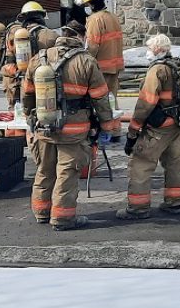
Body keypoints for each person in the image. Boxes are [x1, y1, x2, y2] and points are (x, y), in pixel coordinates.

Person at [21, 20, 114, 231]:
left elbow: (26, 93)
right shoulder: (86, 61)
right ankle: (62, 218)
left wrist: (30, 117)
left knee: (44, 170)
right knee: (66, 173)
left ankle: (41, 212)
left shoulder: (39, 58)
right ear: (80, 37)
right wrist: (107, 125)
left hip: (44, 126)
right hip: (74, 130)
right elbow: (100, 97)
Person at [117, 34, 180, 220]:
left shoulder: (157, 71)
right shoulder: (179, 66)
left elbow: (145, 104)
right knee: (174, 164)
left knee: (140, 165)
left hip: (158, 128)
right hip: (179, 125)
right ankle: (174, 203)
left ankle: (138, 208)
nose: (148, 53)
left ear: (158, 50)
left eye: (149, 49)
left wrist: (133, 131)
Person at [2, 1, 59, 111]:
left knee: (19, 119)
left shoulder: (14, 36)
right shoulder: (51, 36)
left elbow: (8, 63)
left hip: (18, 87)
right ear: (41, 17)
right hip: (43, 86)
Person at [74, 0, 124, 95]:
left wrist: (84, 64)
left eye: (86, 5)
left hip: (101, 68)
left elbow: (92, 46)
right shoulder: (113, 16)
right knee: (111, 100)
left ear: (92, 4)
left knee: (100, 100)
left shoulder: (95, 20)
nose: (86, 8)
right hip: (115, 66)